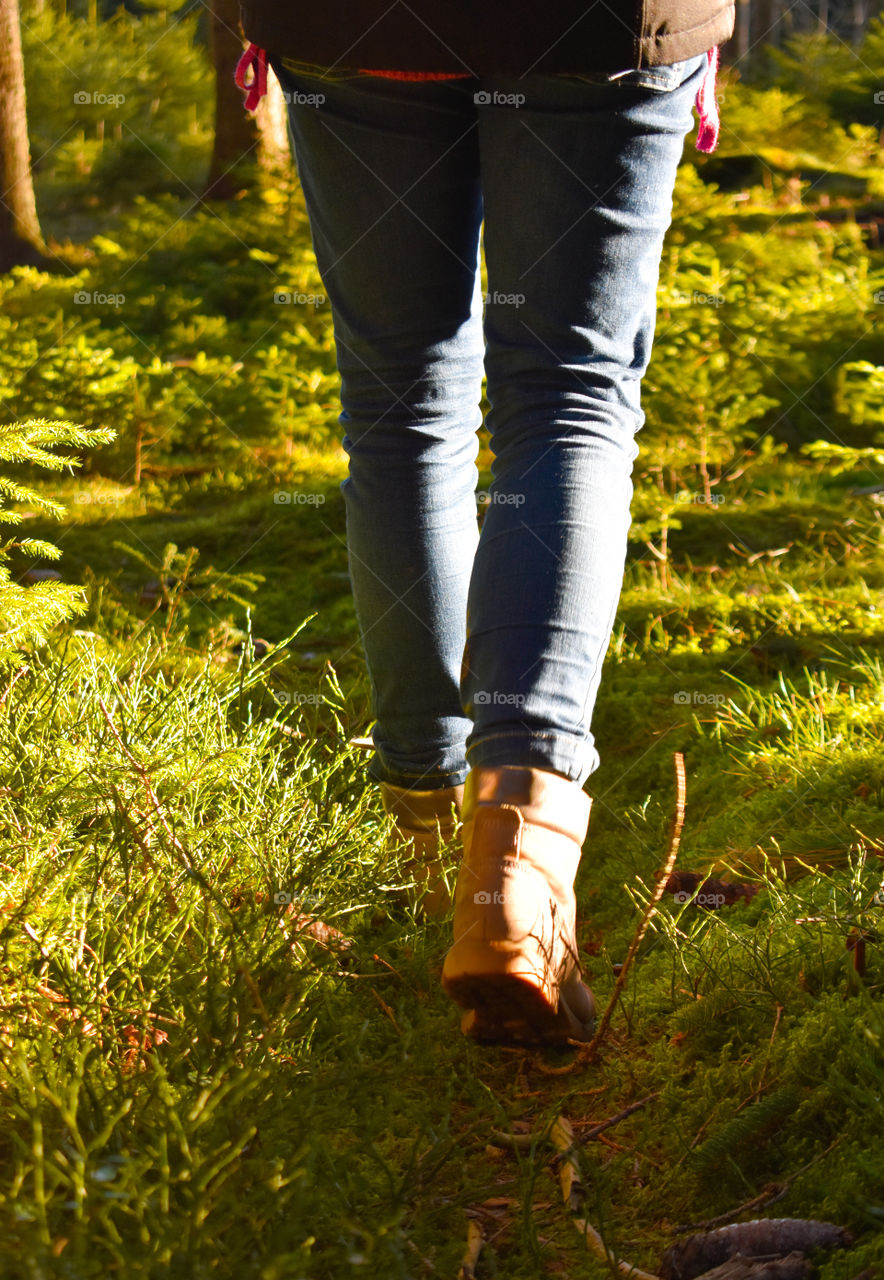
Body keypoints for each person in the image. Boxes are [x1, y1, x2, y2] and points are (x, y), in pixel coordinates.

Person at [234, 1, 735, 1046]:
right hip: (597, 21)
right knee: (567, 395)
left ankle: (427, 859)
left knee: (400, 409)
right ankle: (514, 878)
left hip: (357, 23)